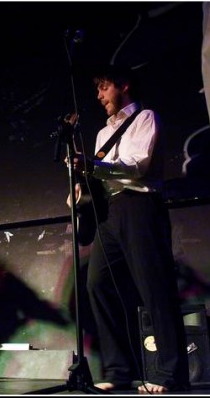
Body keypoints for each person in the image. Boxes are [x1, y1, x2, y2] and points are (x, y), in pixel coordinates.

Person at [67, 65, 189, 393]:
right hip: (110, 213)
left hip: (140, 206)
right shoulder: (102, 134)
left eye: (103, 88)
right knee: (97, 285)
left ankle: (171, 374)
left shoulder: (145, 117)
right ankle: (119, 371)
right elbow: (100, 179)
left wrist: (93, 166)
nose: (99, 96)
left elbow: (137, 166)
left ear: (123, 85)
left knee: (155, 288)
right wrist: (80, 187)